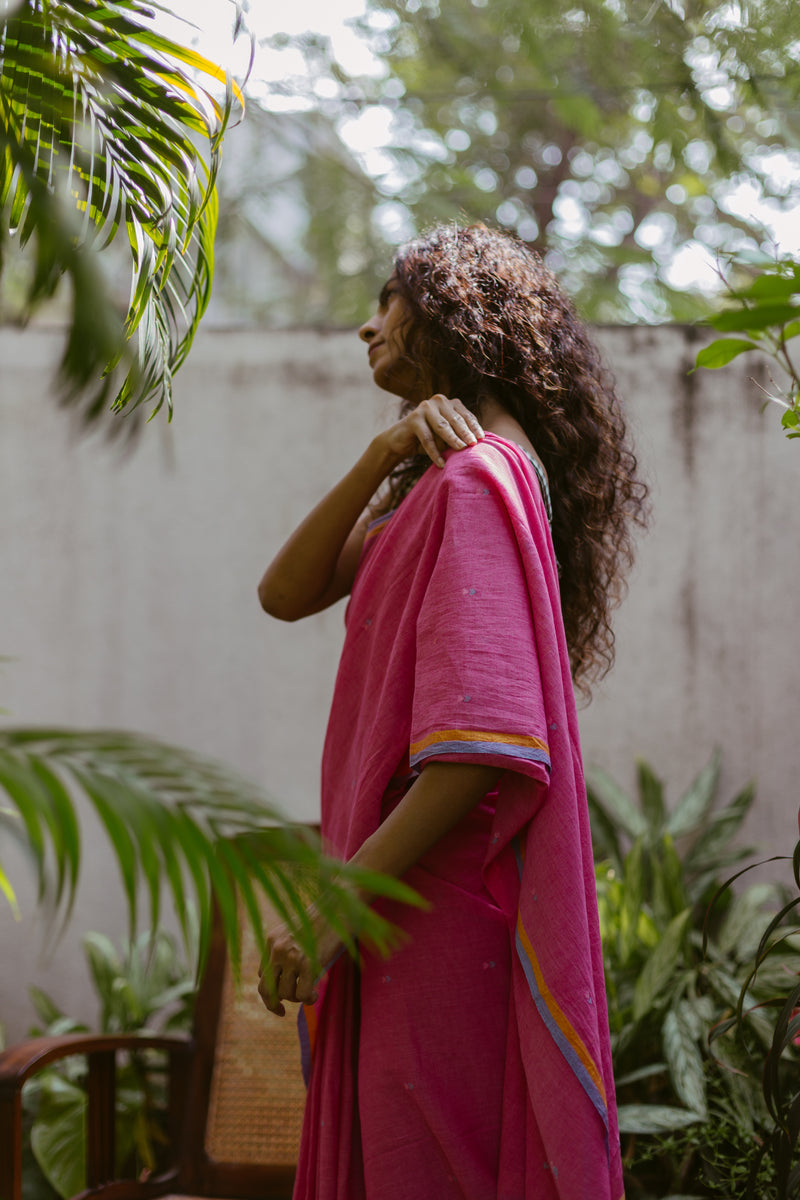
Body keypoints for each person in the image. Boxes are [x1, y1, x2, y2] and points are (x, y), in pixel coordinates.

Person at [256, 223, 647, 1200]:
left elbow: (483, 748)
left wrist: (337, 909)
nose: (366, 328)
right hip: (419, 901)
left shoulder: (474, 481)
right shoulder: (451, 479)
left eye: (387, 301)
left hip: (428, 915)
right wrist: (380, 452)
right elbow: (284, 592)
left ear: (452, 317)